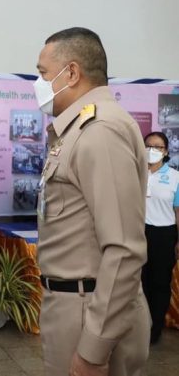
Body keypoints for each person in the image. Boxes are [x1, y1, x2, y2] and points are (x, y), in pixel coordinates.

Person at [34, 27, 149, 376]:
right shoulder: (81, 128)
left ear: (71, 73)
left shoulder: (100, 130)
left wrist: (93, 349)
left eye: (43, 73)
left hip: (88, 309)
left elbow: (124, 249)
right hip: (78, 303)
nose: (38, 83)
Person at [141, 131, 179, 344]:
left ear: (165, 152)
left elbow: (178, 211)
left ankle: (154, 329)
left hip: (164, 235)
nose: (152, 150)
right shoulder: (135, 173)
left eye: (158, 147)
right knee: (139, 282)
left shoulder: (175, 177)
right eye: (148, 146)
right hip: (138, 233)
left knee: (160, 283)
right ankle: (138, 327)